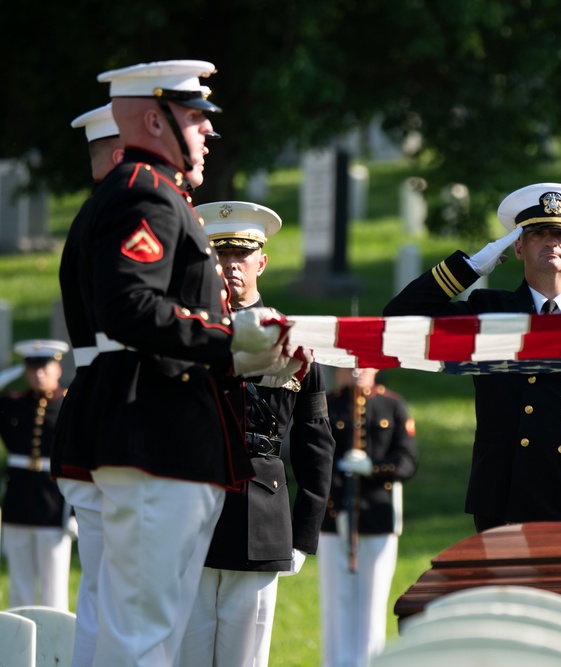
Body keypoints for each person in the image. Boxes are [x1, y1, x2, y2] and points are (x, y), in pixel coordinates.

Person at [53, 60, 300, 667]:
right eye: (193, 118)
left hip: (154, 434)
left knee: (132, 627)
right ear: (151, 119)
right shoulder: (147, 191)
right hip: (154, 434)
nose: (206, 133)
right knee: (146, 635)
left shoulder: (153, 191)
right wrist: (231, 340)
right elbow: (131, 306)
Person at [384, 182, 561, 542]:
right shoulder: (489, 313)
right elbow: (399, 317)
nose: (551, 242)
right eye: (538, 234)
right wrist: (470, 268)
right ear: (517, 246)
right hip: (506, 501)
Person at [174, 201, 335, 667]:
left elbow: (315, 440)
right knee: (189, 654)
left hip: (259, 515)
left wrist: (304, 531)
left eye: (240, 256)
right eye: (219, 256)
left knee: (245, 659)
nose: (229, 267)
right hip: (192, 513)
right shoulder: (183, 334)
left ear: (260, 262)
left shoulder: (294, 342)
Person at [59, 100, 123, 667]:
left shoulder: (93, 215)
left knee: (104, 596)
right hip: (121, 417)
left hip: (95, 411)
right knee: (120, 601)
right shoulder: (114, 217)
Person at [319, 367, 418, 667]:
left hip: (377, 516)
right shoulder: (326, 404)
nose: (356, 370)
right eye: (348, 362)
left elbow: (407, 461)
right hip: (334, 517)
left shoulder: (392, 405)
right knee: (335, 600)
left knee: (372, 603)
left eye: (363, 362)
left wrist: (372, 467)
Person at [0, 339, 72, 610]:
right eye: (31, 367)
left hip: (54, 502)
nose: (38, 373)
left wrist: (74, 511)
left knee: (55, 587)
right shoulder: (12, 403)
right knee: (19, 587)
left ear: (57, 368)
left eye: (44, 366)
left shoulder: (69, 404)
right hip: (18, 499)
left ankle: (55, 650)